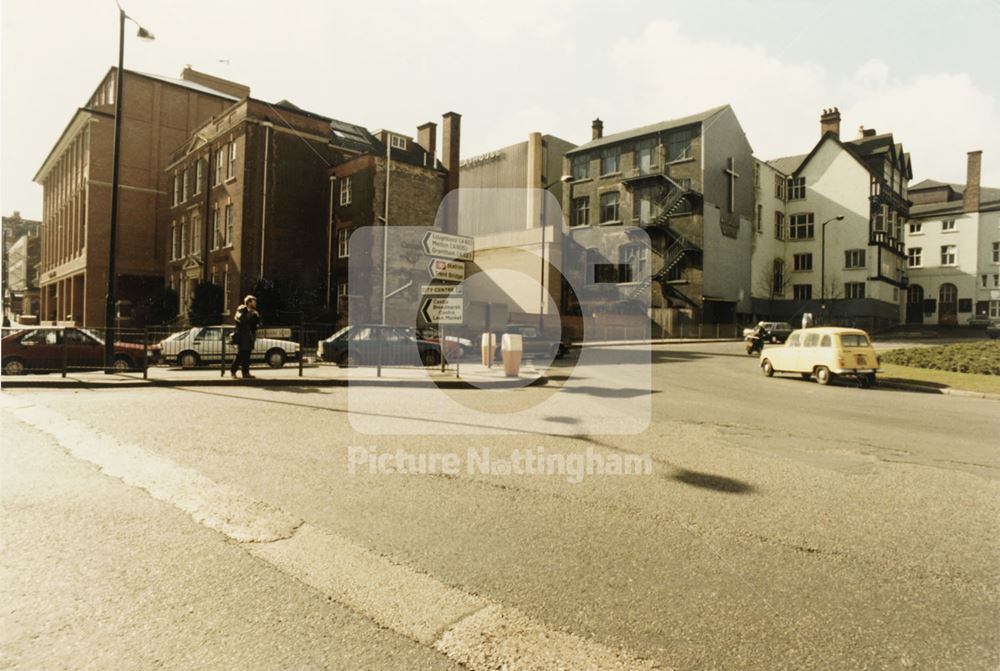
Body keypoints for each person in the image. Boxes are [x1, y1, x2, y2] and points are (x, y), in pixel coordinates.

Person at [230, 295, 261, 379]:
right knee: (241, 355)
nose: (255, 303)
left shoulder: (253, 312)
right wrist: (251, 314)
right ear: (249, 302)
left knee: (247, 355)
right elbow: (243, 321)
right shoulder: (242, 310)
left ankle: (246, 373)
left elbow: (255, 325)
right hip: (243, 336)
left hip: (249, 336)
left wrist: (256, 316)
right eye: (254, 301)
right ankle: (233, 371)